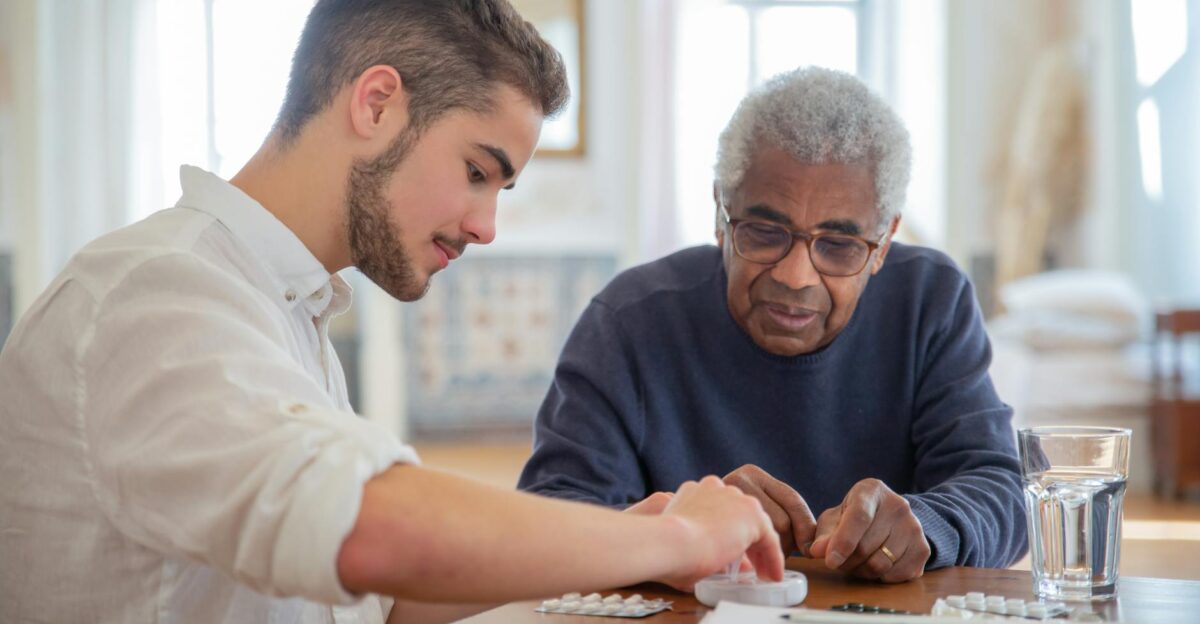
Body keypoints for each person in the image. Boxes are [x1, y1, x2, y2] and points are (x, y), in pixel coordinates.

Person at [0, 1, 784, 622]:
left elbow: (377, 601)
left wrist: (628, 547)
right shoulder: (153, 293)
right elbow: (369, 529)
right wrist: (668, 534)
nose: (486, 226)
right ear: (376, 103)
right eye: (478, 171)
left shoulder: (282, 308)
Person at [519, 67, 1028, 584]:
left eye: (839, 245)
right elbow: (549, 522)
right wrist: (684, 527)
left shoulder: (930, 302)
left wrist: (929, 521)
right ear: (720, 214)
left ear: (884, 241)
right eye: (764, 232)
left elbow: (1002, 490)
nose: (795, 275)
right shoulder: (630, 321)